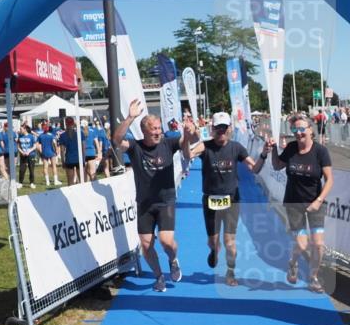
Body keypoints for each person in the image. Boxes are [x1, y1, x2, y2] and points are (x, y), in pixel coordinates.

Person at [113, 99, 192, 291]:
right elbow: (116, 140)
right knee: (146, 245)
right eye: (154, 129)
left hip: (166, 201)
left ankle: (173, 260)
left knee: (166, 241)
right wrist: (130, 116)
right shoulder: (135, 147)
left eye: (159, 128)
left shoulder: (168, 142)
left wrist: (189, 134)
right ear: (144, 132)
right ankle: (159, 277)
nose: (158, 132)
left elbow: (187, 146)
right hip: (145, 204)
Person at [182, 111, 269, 286]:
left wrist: (264, 154)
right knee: (213, 242)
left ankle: (230, 272)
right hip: (210, 200)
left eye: (224, 127)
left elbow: (254, 169)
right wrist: (185, 138)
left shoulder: (236, 148)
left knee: (230, 241)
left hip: (232, 199)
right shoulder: (205, 146)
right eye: (218, 128)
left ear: (229, 128)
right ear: (212, 129)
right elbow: (187, 155)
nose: (221, 131)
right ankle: (214, 251)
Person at [269, 112, 334, 293]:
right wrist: (274, 149)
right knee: (303, 244)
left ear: (310, 130)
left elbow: (329, 180)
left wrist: (319, 200)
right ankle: (293, 262)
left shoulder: (320, 151)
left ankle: (313, 278)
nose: (298, 133)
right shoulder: (290, 148)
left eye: (301, 129)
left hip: (316, 203)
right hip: (293, 204)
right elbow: (276, 165)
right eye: (294, 129)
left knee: (318, 244)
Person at [58, 117, 84, 186]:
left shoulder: (62, 135)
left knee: (70, 183)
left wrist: (63, 161)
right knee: (82, 182)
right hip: (79, 159)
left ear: (65, 124)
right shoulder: (79, 133)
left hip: (69, 159)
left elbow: (62, 150)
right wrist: (83, 159)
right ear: (73, 123)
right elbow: (83, 147)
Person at [36, 121, 60, 186]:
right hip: (52, 152)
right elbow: (54, 143)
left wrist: (40, 152)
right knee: (54, 166)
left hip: (44, 152)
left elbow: (37, 145)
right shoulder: (51, 135)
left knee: (45, 167)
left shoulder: (40, 136)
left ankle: (47, 182)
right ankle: (55, 181)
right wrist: (57, 150)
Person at [16, 124, 37, 188]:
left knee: (31, 169)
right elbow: (18, 146)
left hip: (31, 155)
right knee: (22, 170)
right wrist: (22, 152)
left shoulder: (31, 136)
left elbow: (34, 146)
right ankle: (20, 183)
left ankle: (32, 183)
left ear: (25, 129)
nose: (20, 130)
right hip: (23, 155)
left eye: (21, 129)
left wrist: (28, 151)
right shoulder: (20, 136)